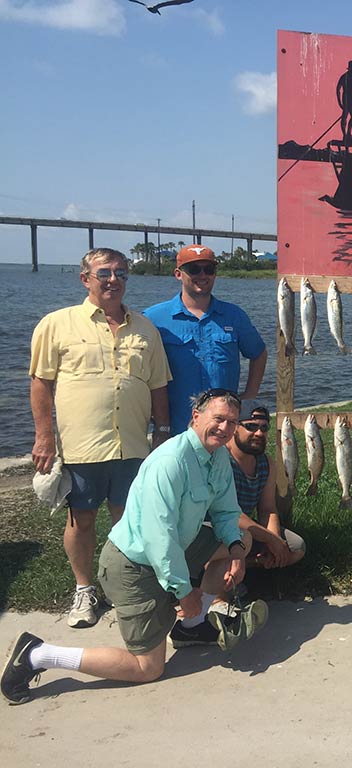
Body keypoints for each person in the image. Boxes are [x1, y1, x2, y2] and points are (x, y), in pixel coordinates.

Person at [2, 389, 269, 706]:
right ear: (195, 417)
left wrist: (237, 552)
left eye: (231, 422)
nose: (224, 429)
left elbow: (226, 511)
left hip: (175, 549)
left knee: (243, 539)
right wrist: (184, 592)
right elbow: (160, 538)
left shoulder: (218, 456)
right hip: (133, 566)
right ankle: (37, 654)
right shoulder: (170, 462)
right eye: (218, 419)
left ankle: (191, 627)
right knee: (148, 668)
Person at [29, 247, 171, 629]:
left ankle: (127, 587)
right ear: (85, 279)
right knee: (83, 519)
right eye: (105, 272)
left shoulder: (145, 329)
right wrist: (44, 437)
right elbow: (41, 383)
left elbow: (158, 386)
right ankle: (84, 588)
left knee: (130, 518)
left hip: (133, 443)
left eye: (121, 273)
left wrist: (162, 431)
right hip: (82, 444)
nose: (114, 280)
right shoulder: (57, 324)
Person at [144, 245, 267, 436]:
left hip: (224, 429)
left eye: (208, 270)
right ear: (178, 274)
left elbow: (258, 353)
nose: (202, 275)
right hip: (176, 427)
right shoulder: (154, 318)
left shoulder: (234, 315)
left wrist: (249, 396)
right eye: (194, 269)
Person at [227, 402, 306, 578]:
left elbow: (268, 509)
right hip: (218, 528)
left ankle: (251, 566)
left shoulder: (266, 463)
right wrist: (268, 539)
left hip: (247, 530)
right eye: (251, 426)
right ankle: (221, 579)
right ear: (234, 427)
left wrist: (274, 541)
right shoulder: (221, 460)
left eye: (264, 428)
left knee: (297, 547)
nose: (259, 433)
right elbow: (229, 513)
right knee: (240, 540)